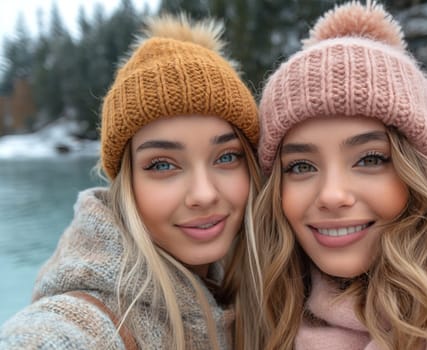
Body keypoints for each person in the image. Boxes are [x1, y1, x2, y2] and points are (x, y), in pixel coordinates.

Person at [254, 1, 427, 349]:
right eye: (301, 166)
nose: (332, 195)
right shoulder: (257, 308)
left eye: (369, 159)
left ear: (416, 173)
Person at [0, 13, 261, 350]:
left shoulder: (265, 280)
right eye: (163, 164)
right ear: (127, 183)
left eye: (226, 157)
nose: (203, 194)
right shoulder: (95, 319)